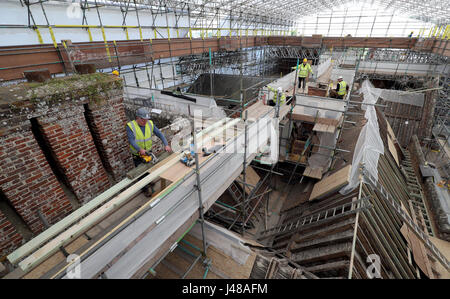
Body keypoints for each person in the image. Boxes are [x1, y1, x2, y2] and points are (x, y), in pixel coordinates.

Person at [126, 107, 172, 196]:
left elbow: (159, 134)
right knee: (140, 173)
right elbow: (131, 140)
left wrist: (166, 144)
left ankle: (149, 182)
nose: (145, 122)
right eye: (143, 120)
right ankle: (144, 189)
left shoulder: (149, 124)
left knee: (149, 169)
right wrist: (140, 149)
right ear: (138, 118)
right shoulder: (130, 126)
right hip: (138, 154)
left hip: (148, 152)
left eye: (147, 120)